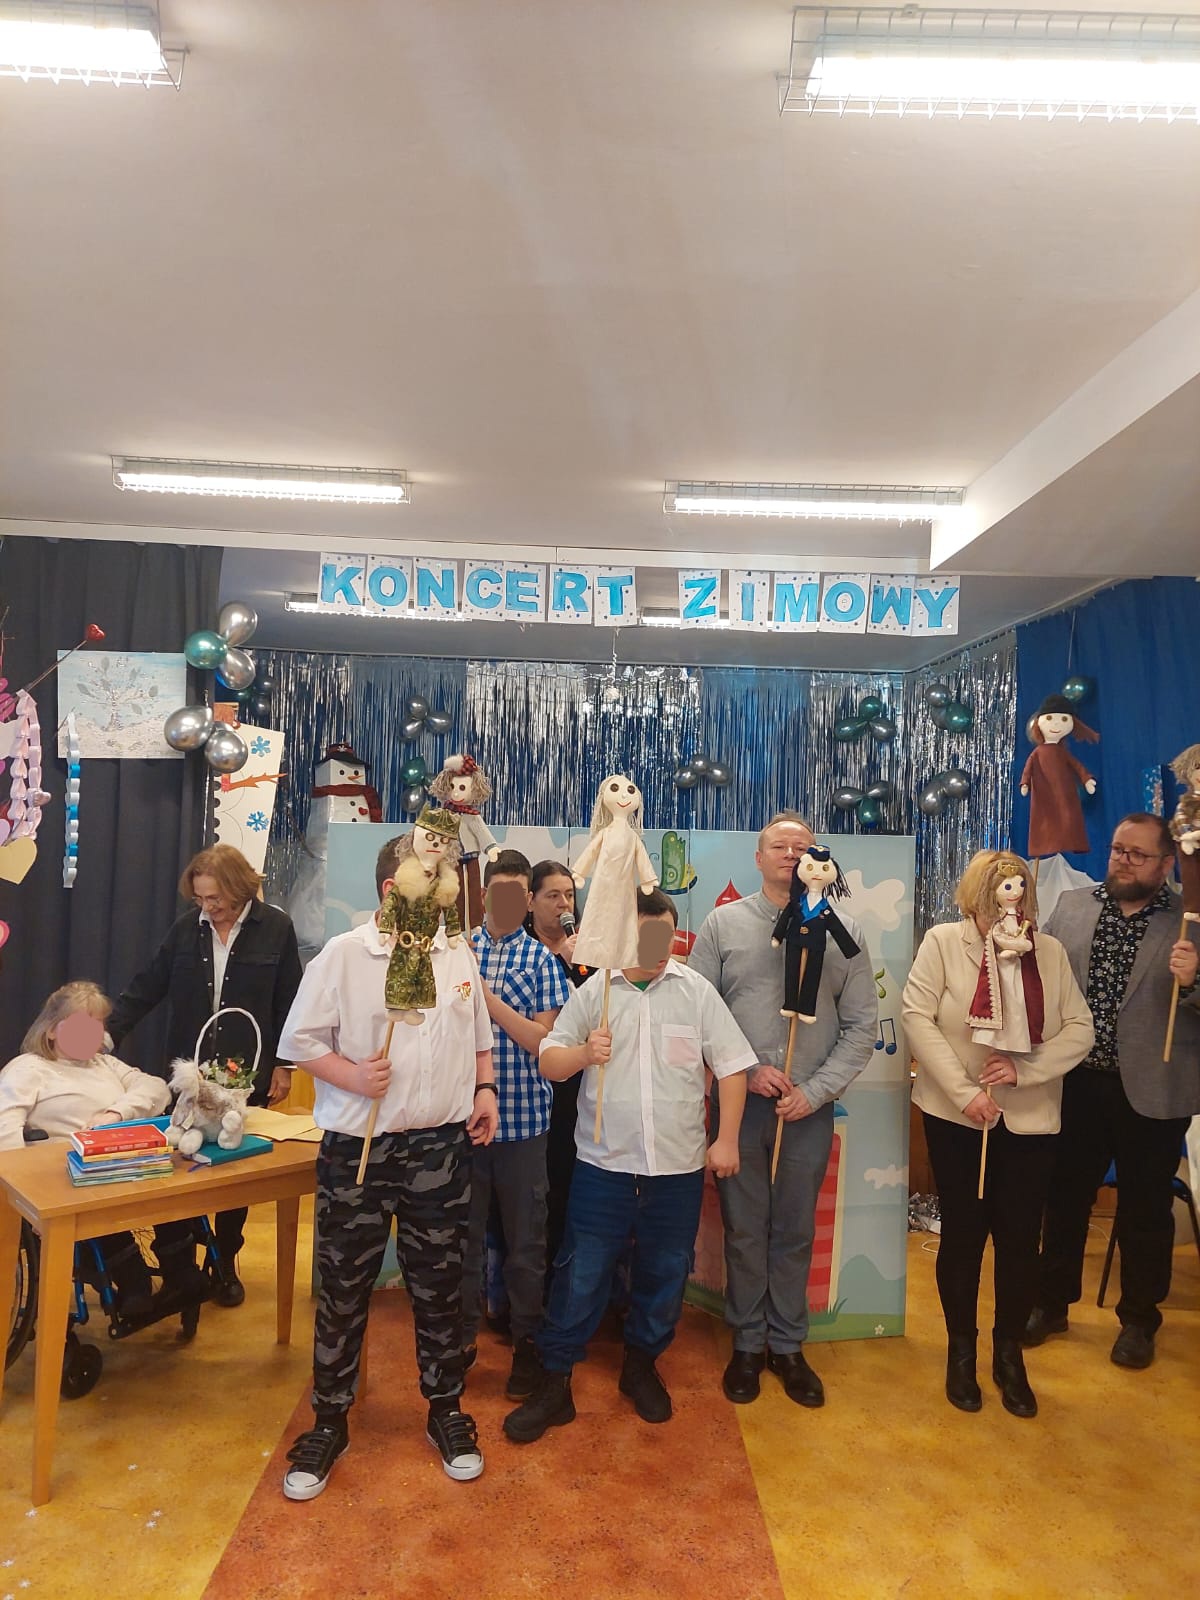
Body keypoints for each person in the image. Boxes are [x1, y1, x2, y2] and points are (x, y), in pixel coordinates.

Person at [276, 830, 499, 1502]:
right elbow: (300, 1041)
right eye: (433, 880)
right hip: (361, 1151)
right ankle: (329, 1420)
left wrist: (484, 1089)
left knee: (441, 1288)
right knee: (344, 1290)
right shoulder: (345, 955)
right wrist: (350, 1074)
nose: (447, 892)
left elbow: (478, 1035)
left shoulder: (455, 952)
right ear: (391, 890)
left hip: (440, 1149)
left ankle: (445, 1409)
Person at [504, 890, 753, 1442]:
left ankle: (641, 1364)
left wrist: (727, 1139)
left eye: (666, 935)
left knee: (666, 1270)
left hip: (676, 1167)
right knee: (581, 1272)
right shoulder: (596, 991)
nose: (658, 948)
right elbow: (549, 1062)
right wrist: (583, 1054)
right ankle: (556, 1378)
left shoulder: (696, 993)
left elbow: (733, 1067)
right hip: (604, 1165)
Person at [688, 811, 876, 1409]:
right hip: (739, 1106)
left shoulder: (844, 932)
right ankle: (747, 1342)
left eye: (803, 846)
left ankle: (788, 1345)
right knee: (745, 1229)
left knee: (794, 1230)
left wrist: (814, 1092)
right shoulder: (723, 924)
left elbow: (862, 1026)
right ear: (758, 856)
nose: (791, 854)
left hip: (806, 1111)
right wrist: (745, 1071)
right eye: (779, 846)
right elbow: (698, 1015)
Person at [902, 852, 1094, 1417]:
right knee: (964, 1236)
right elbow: (916, 1017)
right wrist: (965, 1092)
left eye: (1017, 896)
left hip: (1030, 1120)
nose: (1008, 909)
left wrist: (1024, 1070)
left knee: (1019, 1241)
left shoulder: (1048, 952)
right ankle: (961, 1351)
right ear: (976, 898)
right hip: (958, 1117)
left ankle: (1008, 1352)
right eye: (996, 899)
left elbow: (1079, 1029)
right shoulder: (943, 943)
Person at [1024, 813, 1200, 1370]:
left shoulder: (1190, 919)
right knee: (1064, 1199)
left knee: (1145, 1210)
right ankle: (1052, 1303)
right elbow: (1042, 982)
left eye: (1137, 854)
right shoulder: (1072, 907)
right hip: (1076, 1081)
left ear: (1166, 864)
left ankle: (1140, 1320)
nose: (1123, 860)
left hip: (1154, 1088)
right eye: (1119, 850)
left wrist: (1194, 981)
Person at [108, 844, 303, 1306]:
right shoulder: (185, 930)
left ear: (240, 889)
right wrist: (103, 1034)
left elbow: (290, 1000)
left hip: (244, 1075)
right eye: (200, 899)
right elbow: (146, 987)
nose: (207, 907)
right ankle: (182, 1266)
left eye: (215, 898)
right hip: (189, 1077)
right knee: (182, 1166)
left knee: (235, 1173)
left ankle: (225, 1260)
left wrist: (284, 1065)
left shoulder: (276, 928)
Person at [0, 982, 203, 1316]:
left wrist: (114, 1114)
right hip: (68, 1173)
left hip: (125, 1161)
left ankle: (182, 1271)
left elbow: (155, 1087)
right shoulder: (27, 1069)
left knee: (170, 1191)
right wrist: (29, 1199)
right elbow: (5, 1130)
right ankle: (134, 1283)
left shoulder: (104, 1064)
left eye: (97, 1026)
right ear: (51, 1030)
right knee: (102, 1207)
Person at [463, 848, 570, 1395]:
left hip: (524, 1125)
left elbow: (544, 1042)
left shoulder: (542, 961)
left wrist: (489, 1002)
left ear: (528, 900)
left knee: (527, 1246)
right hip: (463, 1125)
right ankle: (457, 1346)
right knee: (462, 1243)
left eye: (516, 893)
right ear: (484, 894)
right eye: (497, 892)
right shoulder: (458, 951)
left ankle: (528, 1346)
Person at [525, 859, 590, 1273]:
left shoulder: (588, 954)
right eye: (553, 895)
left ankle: (565, 1283)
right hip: (526, 1087)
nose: (564, 903)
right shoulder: (520, 950)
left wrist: (577, 964)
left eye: (569, 895)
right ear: (530, 901)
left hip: (574, 1092)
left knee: (567, 1187)